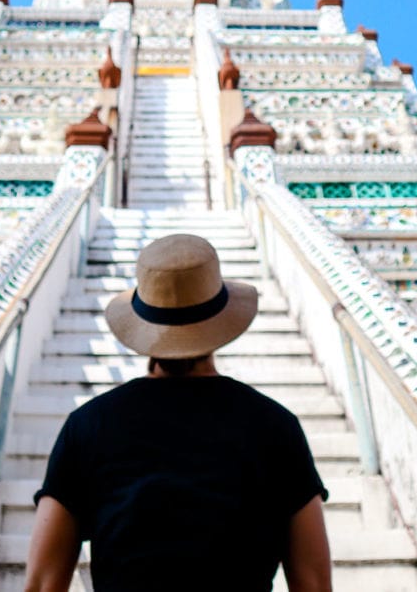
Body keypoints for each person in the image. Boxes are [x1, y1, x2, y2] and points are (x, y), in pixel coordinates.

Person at [25, 233, 332, 592]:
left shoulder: (89, 425)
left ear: (143, 324)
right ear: (221, 318)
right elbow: (312, 584)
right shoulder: (276, 426)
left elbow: (44, 583)